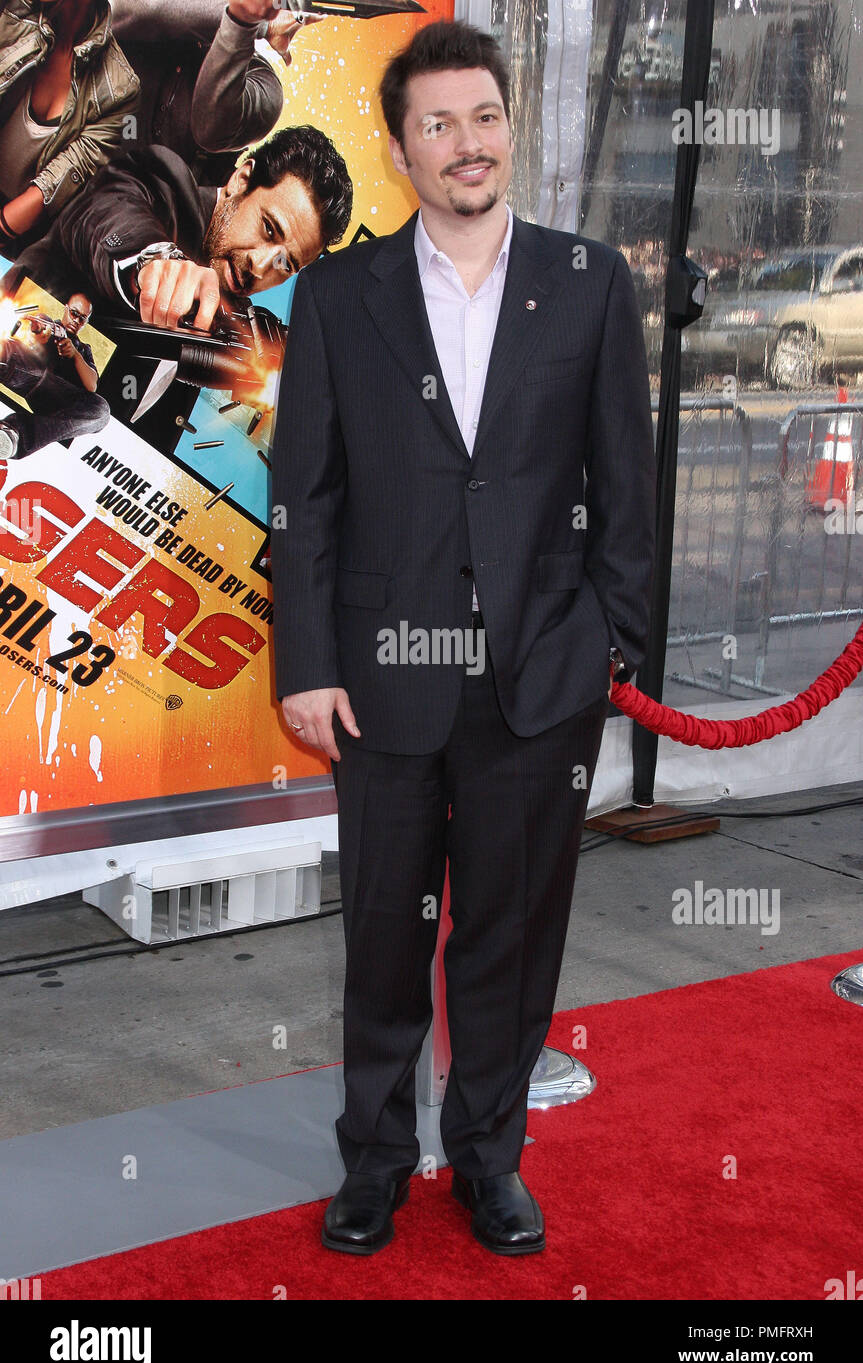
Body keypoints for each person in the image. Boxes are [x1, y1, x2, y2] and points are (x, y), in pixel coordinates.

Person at [269, 20, 656, 1256]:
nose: (464, 143)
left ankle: (489, 1159)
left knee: (510, 936)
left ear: (508, 125)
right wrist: (307, 664)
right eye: (435, 124)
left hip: (538, 680)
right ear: (399, 150)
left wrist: (612, 646)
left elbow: (626, 486)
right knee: (384, 935)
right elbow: (306, 496)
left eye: (481, 117)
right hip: (381, 684)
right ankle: (375, 1160)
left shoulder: (593, 283)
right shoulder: (337, 297)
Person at [9, 125, 353, 330]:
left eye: (285, 264)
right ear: (241, 180)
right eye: (267, 229)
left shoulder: (234, 318)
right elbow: (105, 214)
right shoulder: (163, 182)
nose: (261, 267)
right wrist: (155, 264)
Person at [110, 0, 323, 187]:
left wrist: (244, 23)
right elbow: (131, 9)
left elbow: (210, 128)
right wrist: (262, 25)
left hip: (112, 211)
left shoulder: (265, 88)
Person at [0, 0, 139, 248]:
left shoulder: (120, 88)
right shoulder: (10, 14)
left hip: (21, 232)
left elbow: (75, 166)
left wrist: (4, 226)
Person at [0, 292, 109, 459]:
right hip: (28, 374)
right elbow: (37, 332)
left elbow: (92, 385)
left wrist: (75, 355)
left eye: (82, 318)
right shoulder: (48, 323)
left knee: (101, 412)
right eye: (74, 313)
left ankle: (14, 435)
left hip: (59, 399)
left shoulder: (84, 350)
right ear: (66, 309)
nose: (76, 321)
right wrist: (39, 334)